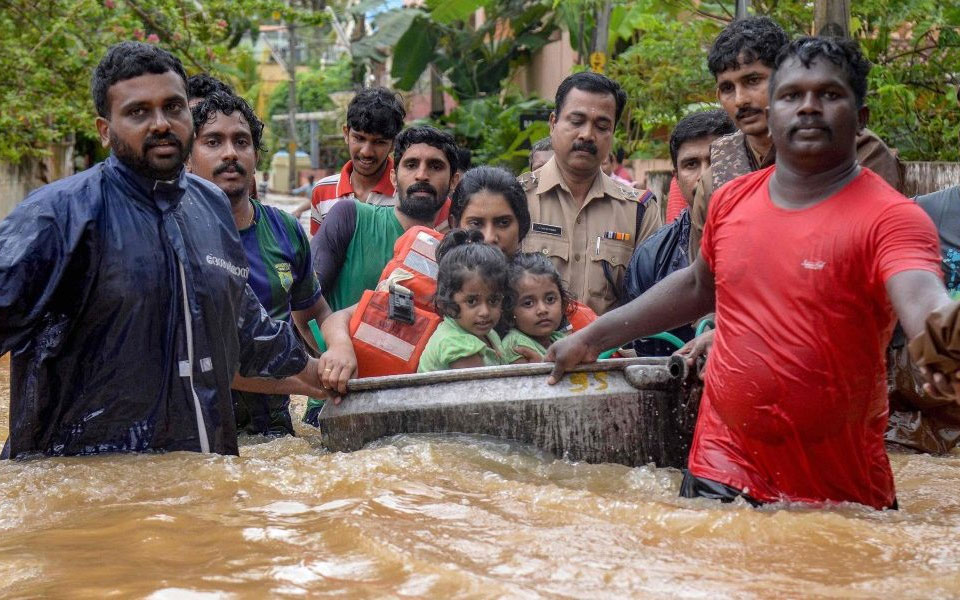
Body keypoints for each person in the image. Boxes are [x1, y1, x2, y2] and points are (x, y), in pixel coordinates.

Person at [545, 37, 954, 510]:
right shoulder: (731, 199)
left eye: (829, 95)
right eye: (791, 96)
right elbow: (699, 284)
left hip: (839, 493)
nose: (807, 108)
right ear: (773, 112)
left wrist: (944, 342)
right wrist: (593, 337)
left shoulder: (891, 217)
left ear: (859, 118)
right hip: (718, 467)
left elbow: (923, 299)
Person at [0, 42, 325, 458]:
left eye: (173, 107)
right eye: (138, 112)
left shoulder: (210, 207)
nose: (161, 124)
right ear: (105, 129)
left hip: (200, 485)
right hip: (88, 494)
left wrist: (328, 379)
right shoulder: (60, 216)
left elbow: (243, 330)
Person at [688, 16, 903, 261]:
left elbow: (869, 251)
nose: (740, 100)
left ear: (786, 79)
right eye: (728, 88)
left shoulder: (855, 150)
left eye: (753, 80)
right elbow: (702, 281)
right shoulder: (715, 179)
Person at [188, 91, 332, 436]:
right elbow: (205, 357)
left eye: (242, 141)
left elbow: (316, 314)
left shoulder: (285, 230)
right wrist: (310, 382)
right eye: (212, 141)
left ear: (256, 155)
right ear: (187, 158)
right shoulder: (175, 236)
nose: (230, 153)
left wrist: (337, 354)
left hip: (276, 431)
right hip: (205, 429)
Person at [521, 71, 662, 317]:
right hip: (530, 355)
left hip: (611, 354)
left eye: (601, 126)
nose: (587, 134)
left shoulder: (639, 211)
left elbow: (651, 303)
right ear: (553, 124)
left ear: (612, 134)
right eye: (577, 121)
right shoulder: (516, 199)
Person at [311, 125, 459, 313]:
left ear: (453, 181)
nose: (421, 175)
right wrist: (333, 341)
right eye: (411, 165)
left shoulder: (451, 255)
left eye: (435, 166)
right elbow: (303, 299)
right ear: (394, 178)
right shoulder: (350, 217)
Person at [623, 109, 735, 356]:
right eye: (691, 164)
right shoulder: (651, 256)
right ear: (676, 176)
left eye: (715, 160)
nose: (704, 176)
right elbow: (644, 356)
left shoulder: (775, 236)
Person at [294, 87, 405, 234]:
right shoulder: (322, 192)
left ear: (393, 143)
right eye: (359, 138)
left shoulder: (408, 194)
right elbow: (320, 254)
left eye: (379, 142)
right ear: (346, 134)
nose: (366, 152)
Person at [417, 230, 514, 372]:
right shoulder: (457, 345)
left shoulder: (487, 333)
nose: (485, 312)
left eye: (493, 300)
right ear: (447, 302)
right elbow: (482, 391)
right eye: (472, 301)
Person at [500, 252, 572, 362]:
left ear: (563, 302)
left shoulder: (559, 339)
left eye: (550, 299)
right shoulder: (516, 345)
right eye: (528, 303)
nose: (542, 310)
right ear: (511, 310)